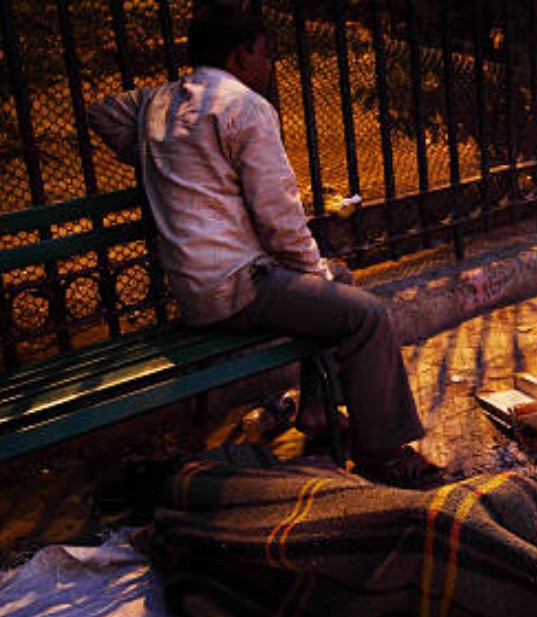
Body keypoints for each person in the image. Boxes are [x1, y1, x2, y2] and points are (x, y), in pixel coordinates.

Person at [87, 1, 441, 488]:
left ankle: (317, 412)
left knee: (339, 280)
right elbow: (281, 219)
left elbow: (102, 111)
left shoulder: (164, 103)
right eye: (264, 54)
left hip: (196, 290)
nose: (268, 65)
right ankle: (382, 452)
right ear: (239, 56)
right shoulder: (245, 107)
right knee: (366, 314)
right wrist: (311, 271)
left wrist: (155, 148)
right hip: (238, 289)